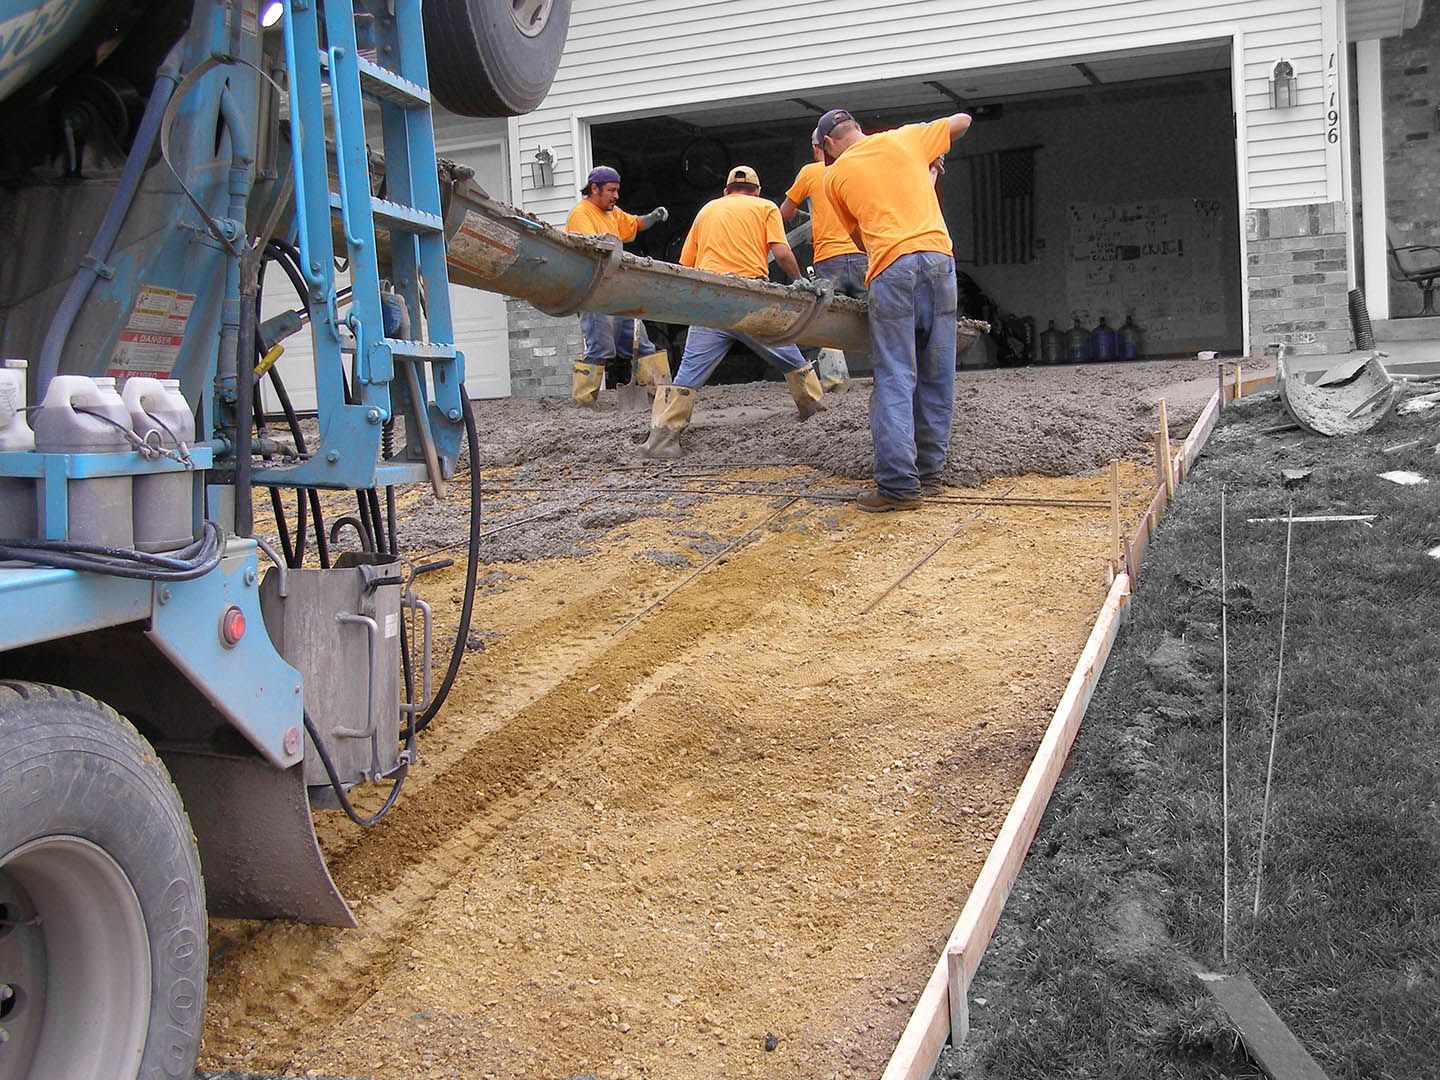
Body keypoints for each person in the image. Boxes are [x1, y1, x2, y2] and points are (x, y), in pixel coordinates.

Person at [820, 108, 972, 511]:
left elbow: (858, 237)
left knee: (895, 375)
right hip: (941, 262)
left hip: (892, 267)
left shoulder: (834, 176)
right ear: (857, 129)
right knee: (937, 372)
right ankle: (930, 474)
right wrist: (927, 161)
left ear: (830, 144)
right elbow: (963, 120)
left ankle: (899, 487)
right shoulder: (905, 138)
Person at [641, 165, 825, 459]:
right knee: (790, 358)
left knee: (688, 372)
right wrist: (799, 279)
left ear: (726, 191)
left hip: (711, 300)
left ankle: (662, 440)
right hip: (750, 298)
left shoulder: (707, 210)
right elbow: (781, 250)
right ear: (758, 191)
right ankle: (815, 414)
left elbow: (686, 263)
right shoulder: (765, 207)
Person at [565, 166, 669, 404]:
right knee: (599, 346)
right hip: (593, 292)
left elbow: (633, 224)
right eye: (611, 190)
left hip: (617, 290)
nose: (616, 196)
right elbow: (592, 249)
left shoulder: (612, 213)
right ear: (594, 189)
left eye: (617, 190)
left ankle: (659, 392)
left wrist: (652, 217)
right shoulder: (581, 214)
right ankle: (584, 401)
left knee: (638, 342)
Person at [780, 128, 867, 298]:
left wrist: (803, 220)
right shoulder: (857, 168)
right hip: (862, 254)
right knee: (869, 314)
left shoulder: (810, 172)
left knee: (833, 314)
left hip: (829, 257)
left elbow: (785, 212)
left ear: (815, 147)